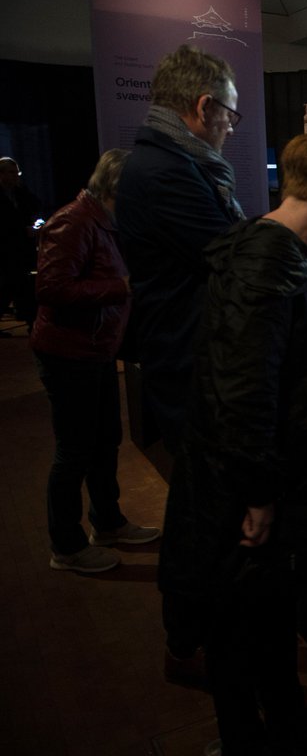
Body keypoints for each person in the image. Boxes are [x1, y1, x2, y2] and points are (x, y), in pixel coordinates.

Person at [158, 132, 307, 756]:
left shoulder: (281, 254)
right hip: (254, 488)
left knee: (266, 614)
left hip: (275, 481)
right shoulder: (263, 264)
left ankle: (282, 728)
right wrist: (256, 495)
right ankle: (252, 739)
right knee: (241, 622)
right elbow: (243, 392)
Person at [32, 149, 161, 574]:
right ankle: (65, 546)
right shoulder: (73, 221)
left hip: (96, 350)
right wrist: (119, 287)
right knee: (74, 451)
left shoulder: (101, 221)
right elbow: (52, 290)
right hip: (70, 353)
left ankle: (107, 524)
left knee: (103, 442)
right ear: (120, 187)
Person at [116, 44, 245, 456]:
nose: (230, 126)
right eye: (230, 113)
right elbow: (230, 257)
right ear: (205, 106)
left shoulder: (163, 162)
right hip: (190, 364)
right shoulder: (167, 172)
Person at [0, 156, 40, 334]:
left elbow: (35, 205)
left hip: (23, 248)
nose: (16, 176)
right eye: (11, 172)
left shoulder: (19, 192)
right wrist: (22, 229)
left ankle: (33, 322)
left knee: (22, 285)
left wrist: (22, 189)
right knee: (8, 286)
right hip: (6, 249)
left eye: (17, 172)